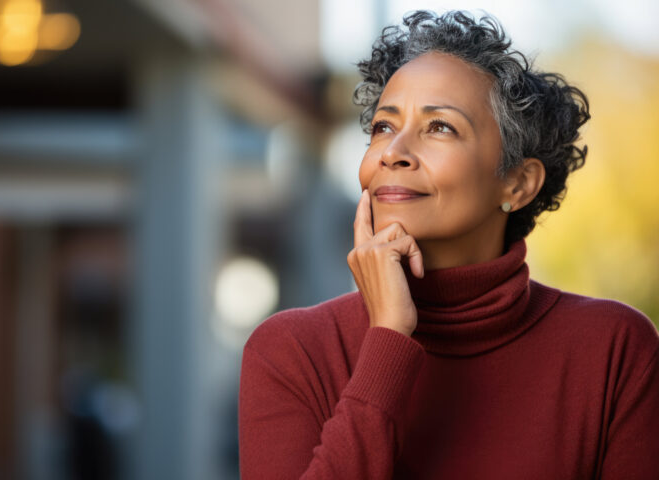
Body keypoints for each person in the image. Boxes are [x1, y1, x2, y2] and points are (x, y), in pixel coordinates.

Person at [238, 10, 659, 479]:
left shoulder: (614, 349)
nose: (392, 151)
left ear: (518, 184)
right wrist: (389, 341)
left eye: (440, 127)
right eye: (382, 126)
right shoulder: (290, 351)